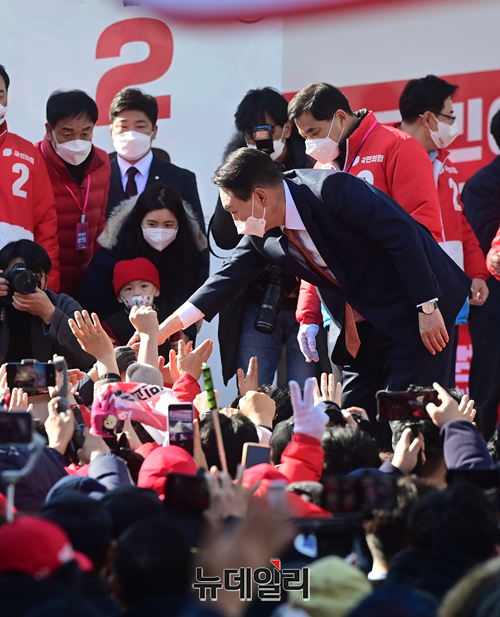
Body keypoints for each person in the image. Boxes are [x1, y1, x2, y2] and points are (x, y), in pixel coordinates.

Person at [149, 148, 470, 410]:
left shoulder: (332, 190)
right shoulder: (262, 234)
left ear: (260, 197)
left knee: (407, 415)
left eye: (234, 211)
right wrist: (162, 330)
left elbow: (403, 236)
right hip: (361, 330)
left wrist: (427, 306)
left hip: (415, 312)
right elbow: (225, 279)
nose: (235, 224)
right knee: (353, 418)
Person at [286, 82, 444, 427]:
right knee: (353, 425)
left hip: (404, 315)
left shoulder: (398, 146)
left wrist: (426, 305)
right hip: (353, 328)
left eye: (313, 132)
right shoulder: (321, 170)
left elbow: (423, 234)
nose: (310, 143)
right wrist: (308, 315)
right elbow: (317, 250)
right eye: (303, 136)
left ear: (340, 118)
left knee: (404, 423)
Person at [211, 87, 318, 387]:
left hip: (306, 299)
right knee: (252, 391)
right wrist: (238, 179)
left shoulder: (311, 162)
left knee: (306, 394)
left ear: (287, 128)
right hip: (256, 297)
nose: (261, 140)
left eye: (267, 130)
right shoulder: (237, 166)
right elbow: (224, 238)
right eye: (251, 133)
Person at [398, 74, 489, 385]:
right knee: (410, 388)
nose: (454, 125)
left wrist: (476, 272)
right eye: (450, 116)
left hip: (448, 291)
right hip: (410, 298)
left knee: (443, 388)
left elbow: (460, 223)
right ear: (428, 118)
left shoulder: (445, 163)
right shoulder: (392, 156)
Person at [80, 184, 207, 353]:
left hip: (167, 341)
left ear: (179, 224)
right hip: (118, 339)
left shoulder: (188, 254)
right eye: (152, 224)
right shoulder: (114, 251)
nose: (160, 231)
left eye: (168, 225)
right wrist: (103, 335)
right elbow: (93, 301)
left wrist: (186, 334)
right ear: (139, 220)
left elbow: (192, 299)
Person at [106, 87, 206, 245]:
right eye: (123, 127)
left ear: (154, 131)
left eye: (140, 127)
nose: (131, 135)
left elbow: (197, 242)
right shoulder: (95, 178)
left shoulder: (181, 180)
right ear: (112, 131)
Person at [37, 90, 111, 298]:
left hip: (88, 282)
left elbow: (100, 223)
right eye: (68, 135)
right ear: (49, 130)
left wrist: (98, 278)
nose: (77, 142)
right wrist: (48, 293)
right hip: (46, 284)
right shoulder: (32, 163)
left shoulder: (102, 162)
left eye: (85, 133)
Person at [0, 65, 60, 291]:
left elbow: (46, 226)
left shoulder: (28, 154)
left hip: (21, 285)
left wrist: (49, 290)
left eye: (0, 94)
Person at [462, 109, 500, 440]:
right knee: (488, 387)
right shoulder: (482, 185)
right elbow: (485, 243)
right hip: (493, 305)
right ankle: (479, 451)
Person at [0, 239, 94, 369]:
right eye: (16, 275)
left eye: (33, 276)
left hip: (50, 381)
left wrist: (51, 315)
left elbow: (90, 358)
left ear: (46, 280)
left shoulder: (63, 305)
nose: (25, 282)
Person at [102, 257, 160, 347]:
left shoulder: (169, 317)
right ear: (120, 298)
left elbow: (177, 341)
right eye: (129, 289)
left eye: (143, 286)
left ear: (156, 291)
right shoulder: (112, 325)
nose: (137, 293)